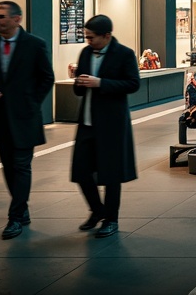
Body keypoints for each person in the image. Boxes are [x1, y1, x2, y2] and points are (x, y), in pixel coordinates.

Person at [0, 0, 55, 239]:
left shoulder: (35, 45)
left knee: (21, 166)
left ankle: (15, 217)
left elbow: (46, 77)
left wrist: (31, 103)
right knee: (8, 167)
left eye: (1, 17)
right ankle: (22, 208)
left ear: (17, 19)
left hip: (25, 118)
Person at [69, 14, 140, 239]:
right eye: (86, 37)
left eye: (91, 37)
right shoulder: (86, 52)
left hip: (112, 124)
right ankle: (97, 211)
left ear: (107, 36)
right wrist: (77, 80)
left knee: (111, 174)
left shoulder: (125, 54)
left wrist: (101, 83)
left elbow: (133, 83)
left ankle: (111, 219)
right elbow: (80, 89)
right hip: (87, 122)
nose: (88, 41)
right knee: (80, 171)